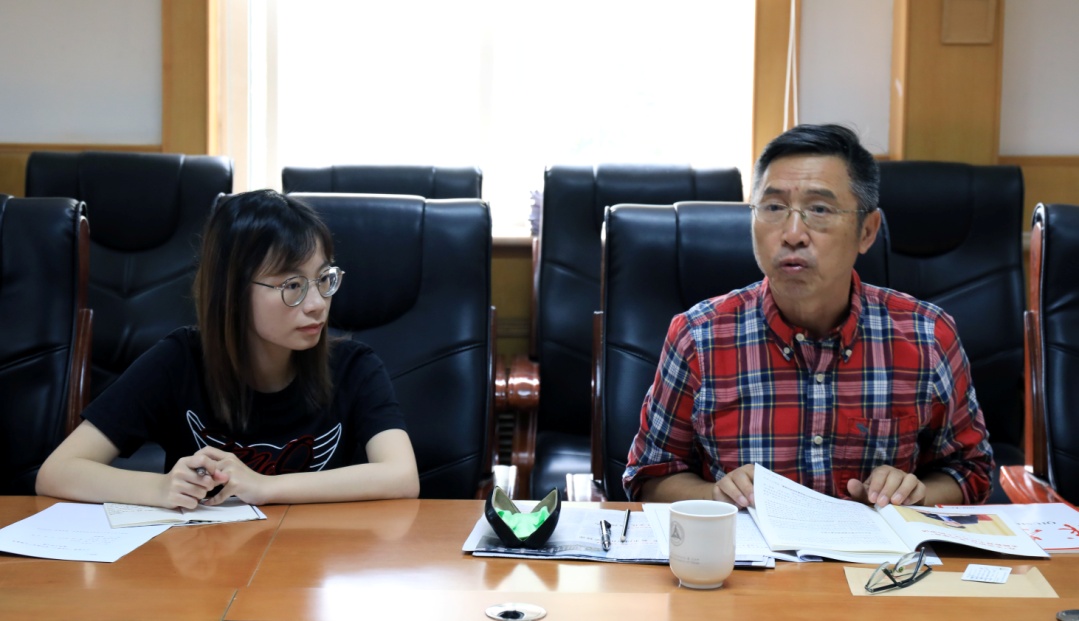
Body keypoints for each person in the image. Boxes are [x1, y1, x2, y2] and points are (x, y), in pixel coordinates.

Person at [623, 124, 994, 508]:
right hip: (744, 548)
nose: (793, 234)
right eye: (773, 207)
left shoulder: (927, 336)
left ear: (867, 231)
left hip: (875, 549)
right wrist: (715, 495)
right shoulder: (698, 337)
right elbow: (649, 477)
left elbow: (971, 471)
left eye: (819, 209)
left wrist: (915, 494)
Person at [37, 189, 420, 508]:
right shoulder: (179, 360)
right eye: (292, 285)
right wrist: (160, 487)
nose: (317, 303)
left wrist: (265, 487)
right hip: (205, 562)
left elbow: (401, 476)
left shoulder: (354, 367)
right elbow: (58, 471)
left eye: (324, 279)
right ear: (232, 292)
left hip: (312, 561)